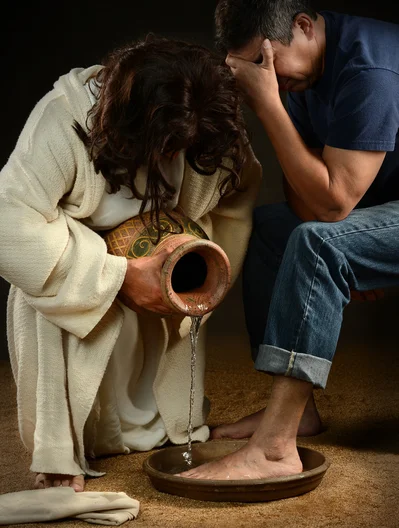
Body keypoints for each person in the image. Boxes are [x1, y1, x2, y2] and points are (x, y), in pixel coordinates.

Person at [0, 35, 262, 491]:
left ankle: (167, 426)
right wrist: (116, 276)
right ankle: (61, 454)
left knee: (159, 422)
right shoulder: (62, 120)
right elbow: (9, 222)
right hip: (84, 270)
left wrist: (185, 254)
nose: (171, 158)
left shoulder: (203, 126)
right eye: (164, 147)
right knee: (39, 292)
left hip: (158, 271)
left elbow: (238, 190)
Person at [182, 1, 399, 480]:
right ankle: (300, 413)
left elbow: (333, 203)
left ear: (304, 25)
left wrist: (266, 103)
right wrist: (348, 241)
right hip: (378, 211)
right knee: (274, 233)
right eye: (256, 72)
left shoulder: (371, 68)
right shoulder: (301, 71)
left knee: (322, 244)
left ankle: (276, 449)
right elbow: (306, 196)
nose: (269, 80)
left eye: (271, 67)